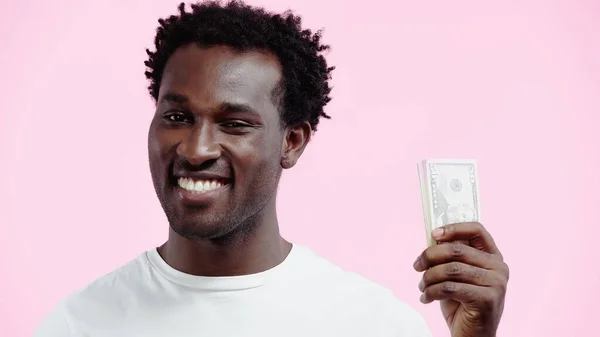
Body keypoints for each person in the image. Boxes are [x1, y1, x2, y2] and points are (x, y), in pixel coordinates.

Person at [33, 1, 509, 336]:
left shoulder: (373, 324)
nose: (197, 148)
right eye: (177, 117)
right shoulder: (79, 324)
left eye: (235, 123)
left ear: (292, 141)